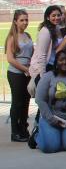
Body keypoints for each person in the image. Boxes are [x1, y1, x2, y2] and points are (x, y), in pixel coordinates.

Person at [5, 9, 33, 141]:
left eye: (26, 19)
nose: (25, 22)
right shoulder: (12, 37)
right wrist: (24, 69)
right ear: (15, 21)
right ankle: (15, 132)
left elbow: (31, 54)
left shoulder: (28, 35)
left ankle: (23, 129)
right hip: (16, 73)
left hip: (28, 73)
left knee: (26, 102)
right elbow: (10, 59)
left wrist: (31, 67)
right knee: (17, 103)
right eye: (22, 20)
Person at [29, 6, 63, 87]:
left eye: (58, 15)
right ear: (48, 17)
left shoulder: (57, 28)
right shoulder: (45, 31)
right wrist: (43, 76)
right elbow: (42, 55)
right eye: (53, 15)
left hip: (53, 66)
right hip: (45, 68)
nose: (56, 17)